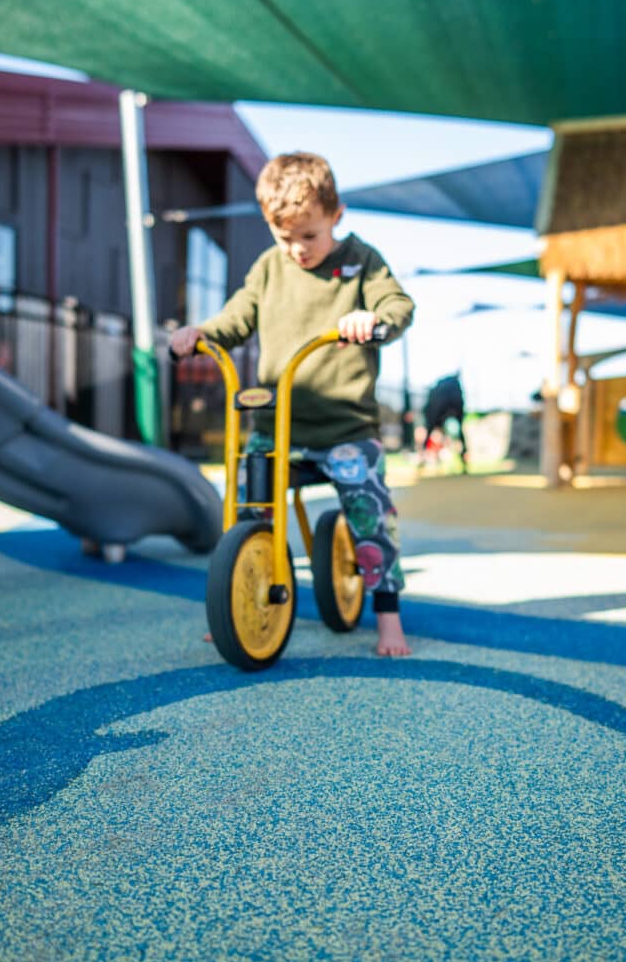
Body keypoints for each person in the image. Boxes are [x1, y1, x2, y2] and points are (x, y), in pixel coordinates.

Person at [170, 152, 416, 657]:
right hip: (277, 426)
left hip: (344, 428)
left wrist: (373, 320)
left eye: (310, 235)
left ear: (336, 216)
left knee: (369, 511)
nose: (298, 250)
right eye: (285, 237)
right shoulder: (268, 269)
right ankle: (239, 598)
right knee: (244, 503)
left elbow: (398, 305)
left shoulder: (360, 262)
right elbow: (236, 318)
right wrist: (200, 334)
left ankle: (388, 616)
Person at [420, 372, 467, 474]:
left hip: (438, 402)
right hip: (452, 401)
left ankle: (422, 461)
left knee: (429, 431)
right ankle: (464, 461)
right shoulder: (452, 386)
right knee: (460, 432)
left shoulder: (437, 390)